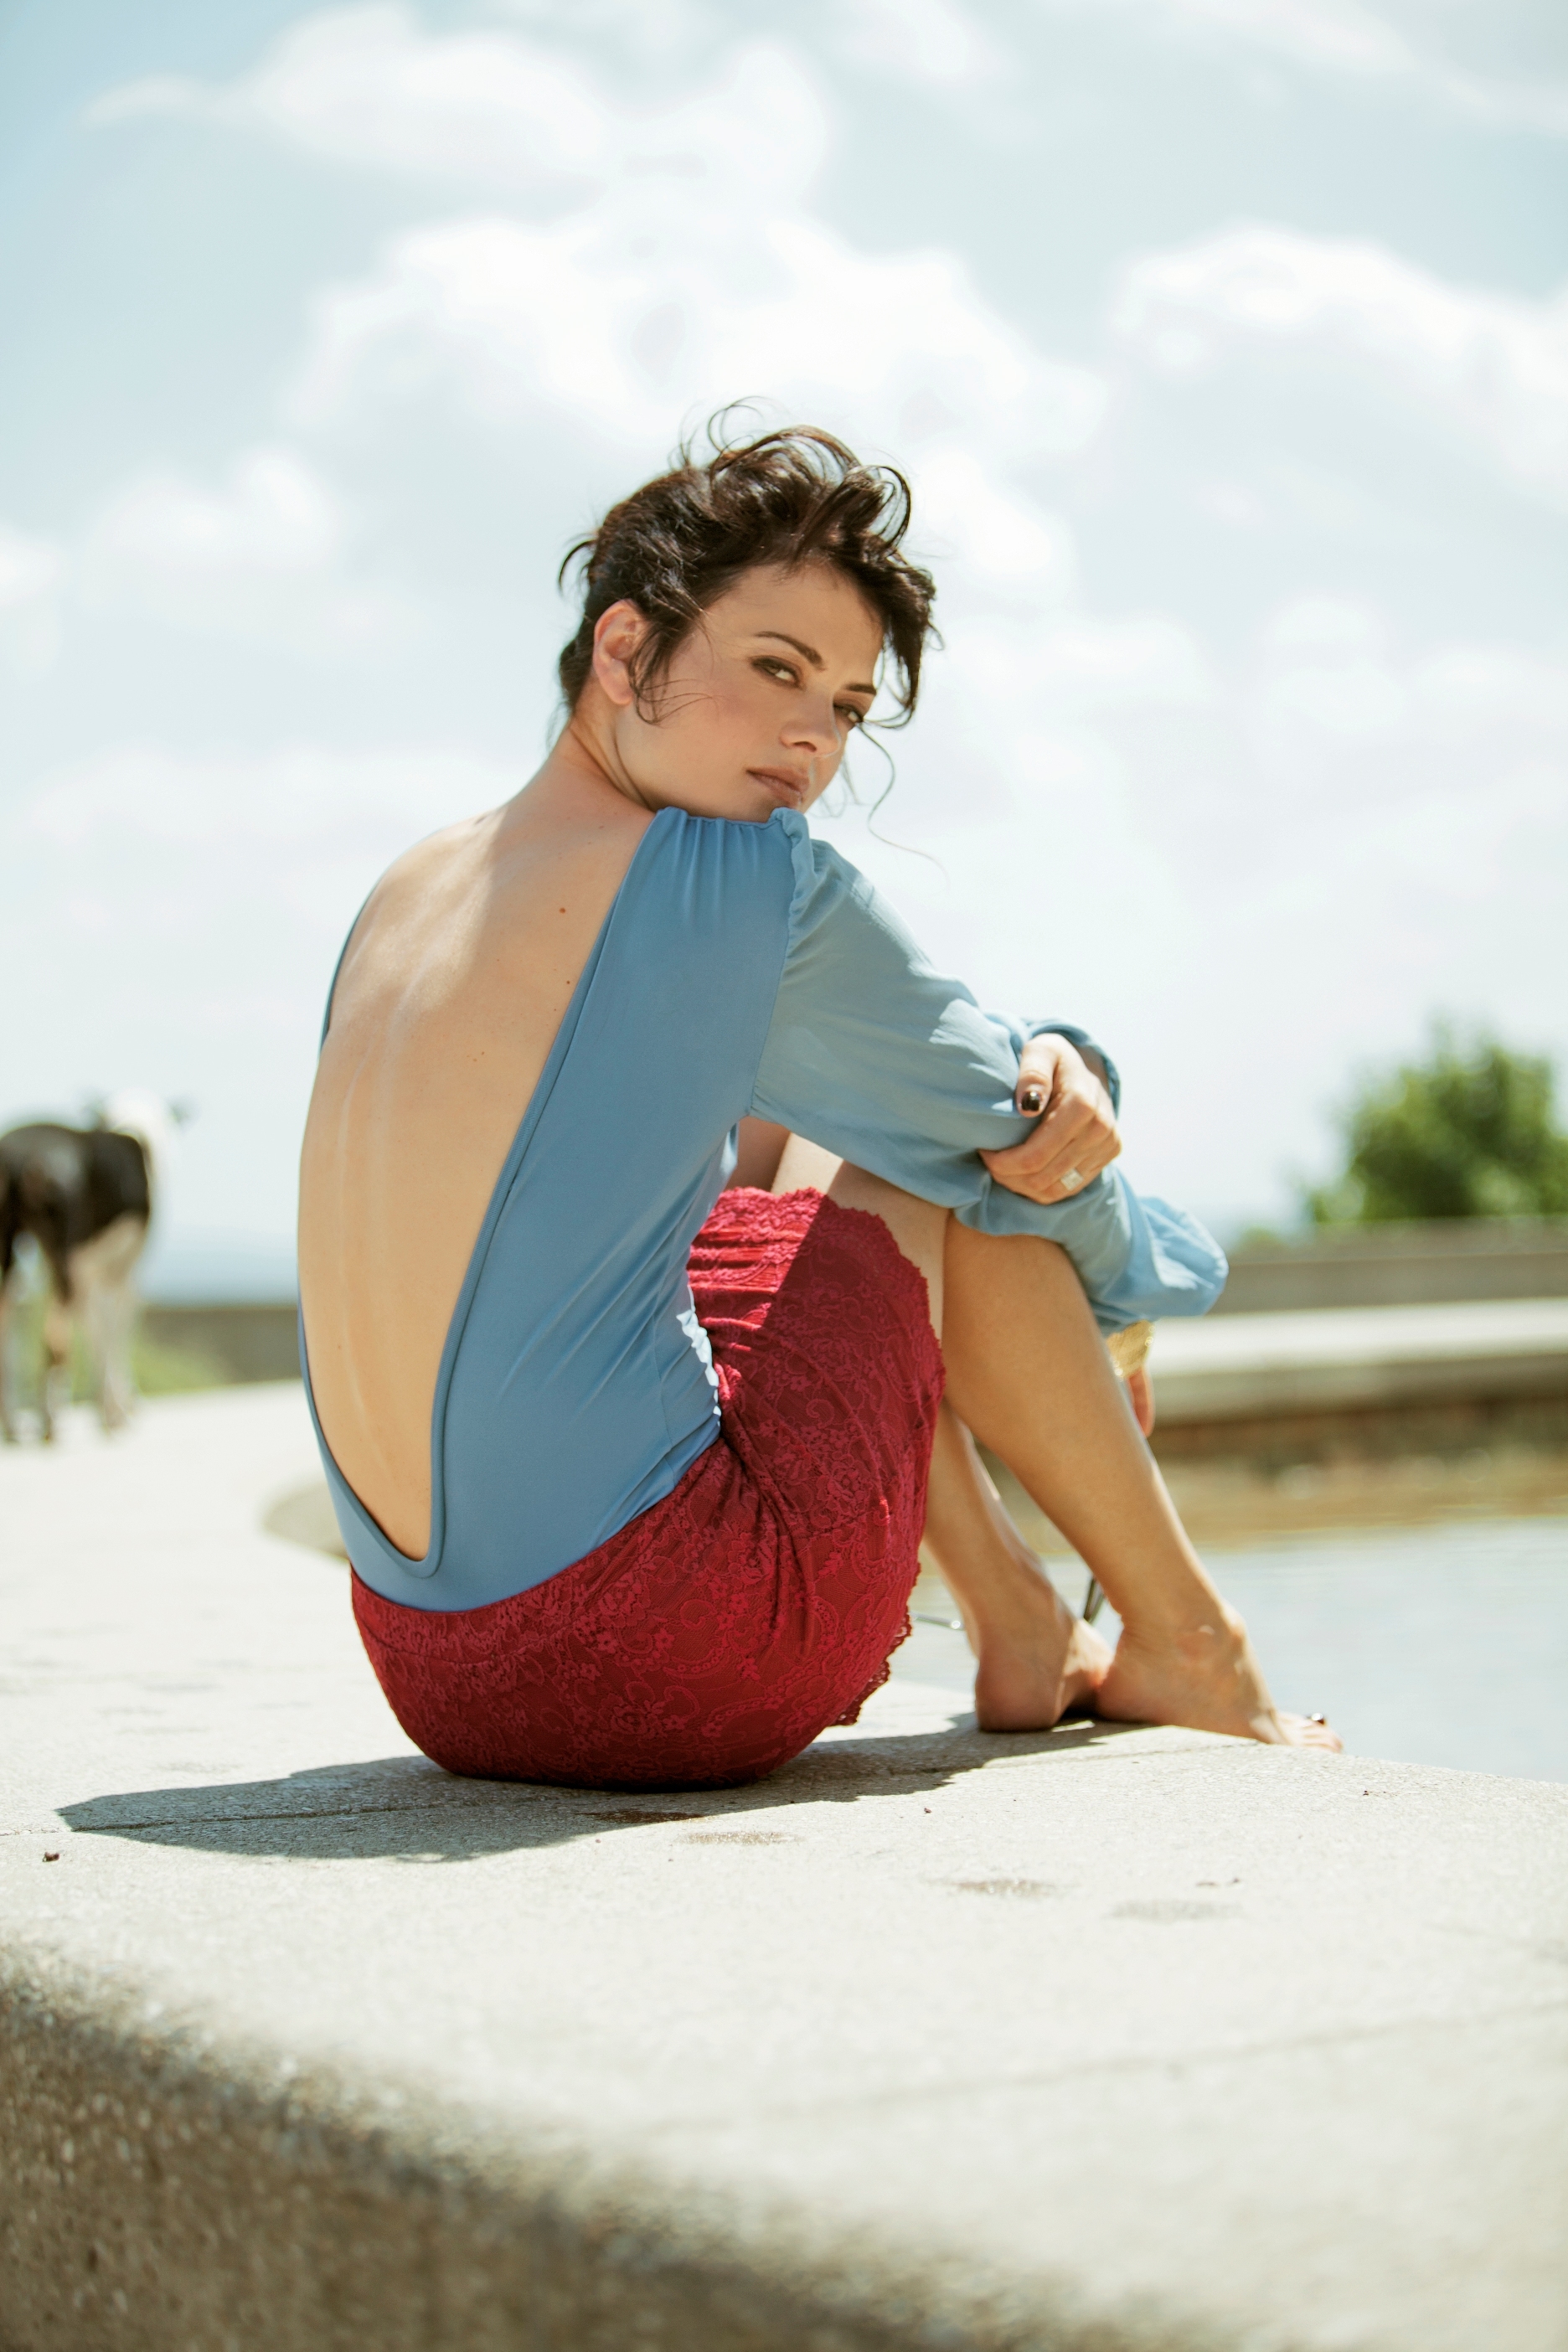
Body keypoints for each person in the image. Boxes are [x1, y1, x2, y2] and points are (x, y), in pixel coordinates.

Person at [297, 425, 1338, 1789]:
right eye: (776, 669)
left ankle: (1025, 1626)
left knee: (797, 1165)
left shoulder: (408, 888)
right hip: (664, 1649)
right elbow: (1008, 1131)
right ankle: (1196, 1645)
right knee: (935, 1161)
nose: (812, 739)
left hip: (432, 1669)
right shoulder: (727, 878)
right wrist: (1112, 1238)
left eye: (847, 706)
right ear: (625, 649)